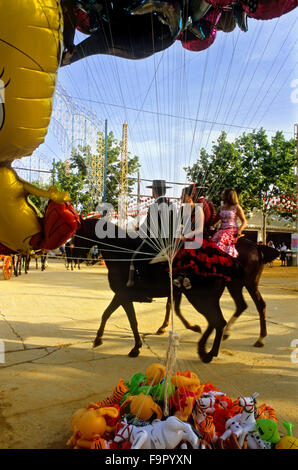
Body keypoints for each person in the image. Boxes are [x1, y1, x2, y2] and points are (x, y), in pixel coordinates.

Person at [172, 184, 243, 290]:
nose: (181, 198)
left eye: (183, 195)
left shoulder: (199, 207)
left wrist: (184, 236)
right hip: (190, 235)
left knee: (190, 249)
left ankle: (186, 277)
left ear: (190, 196)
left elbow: (199, 228)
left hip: (198, 235)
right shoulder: (184, 209)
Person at [126, 179, 174, 287]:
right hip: (170, 241)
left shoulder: (154, 206)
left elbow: (147, 226)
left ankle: (140, 284)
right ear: (164, 191)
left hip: (156, 242)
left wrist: (136, 232)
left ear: (154, 191)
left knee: (135, 257)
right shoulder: (171, 204)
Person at [212, 188, 247, 258]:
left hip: (232, 230)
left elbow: (244, 221)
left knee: (222, 237)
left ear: (228, 196)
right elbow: (214, 221)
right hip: (221, 230)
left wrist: (239, 231)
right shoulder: (221, 208)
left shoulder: (237, 207)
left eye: (223, 194)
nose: (221, 195)